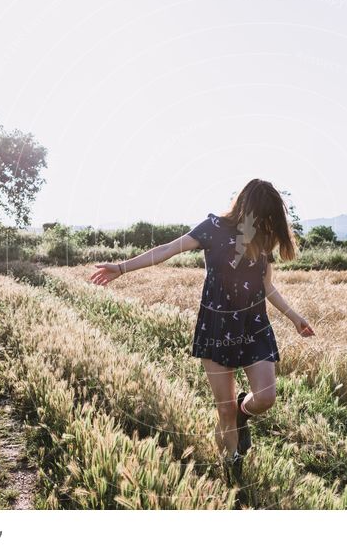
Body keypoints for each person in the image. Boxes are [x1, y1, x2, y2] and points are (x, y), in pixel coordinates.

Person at [89, 178, 315, 489]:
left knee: (265, 397)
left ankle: (242, 411)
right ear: (247, 207)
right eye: (262, 216)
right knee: (223, 410)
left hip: (254, 326)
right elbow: (168, 249)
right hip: (217, 325)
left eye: (270, 219)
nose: (266, 224)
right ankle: (233, 472)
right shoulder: (213, 227)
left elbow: (267, 286)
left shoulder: (262, 238)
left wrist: (295, 317)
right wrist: (122, 266)